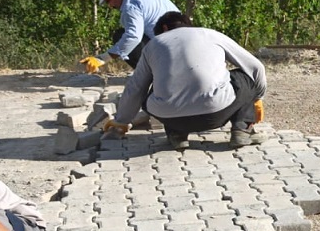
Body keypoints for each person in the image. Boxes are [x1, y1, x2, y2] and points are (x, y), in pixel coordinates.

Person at [102, 11, 267, 150]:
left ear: (164, 28)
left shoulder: (152, 45)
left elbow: (135, 88)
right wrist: (258, 98)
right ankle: (242, 130)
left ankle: (177, 135)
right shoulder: (209, 34)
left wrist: (121, 123)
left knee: (156, 86)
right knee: (245, 75)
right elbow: (256, 67)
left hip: (171, 117)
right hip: (215, 113)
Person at [79, 0, 180, 71]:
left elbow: (133, 37)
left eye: (109, 1)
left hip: (168, 52)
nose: (110, 6)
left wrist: (103, 58)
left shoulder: (130, 6)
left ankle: (153, 74)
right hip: (184, 42)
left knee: (120, 36)